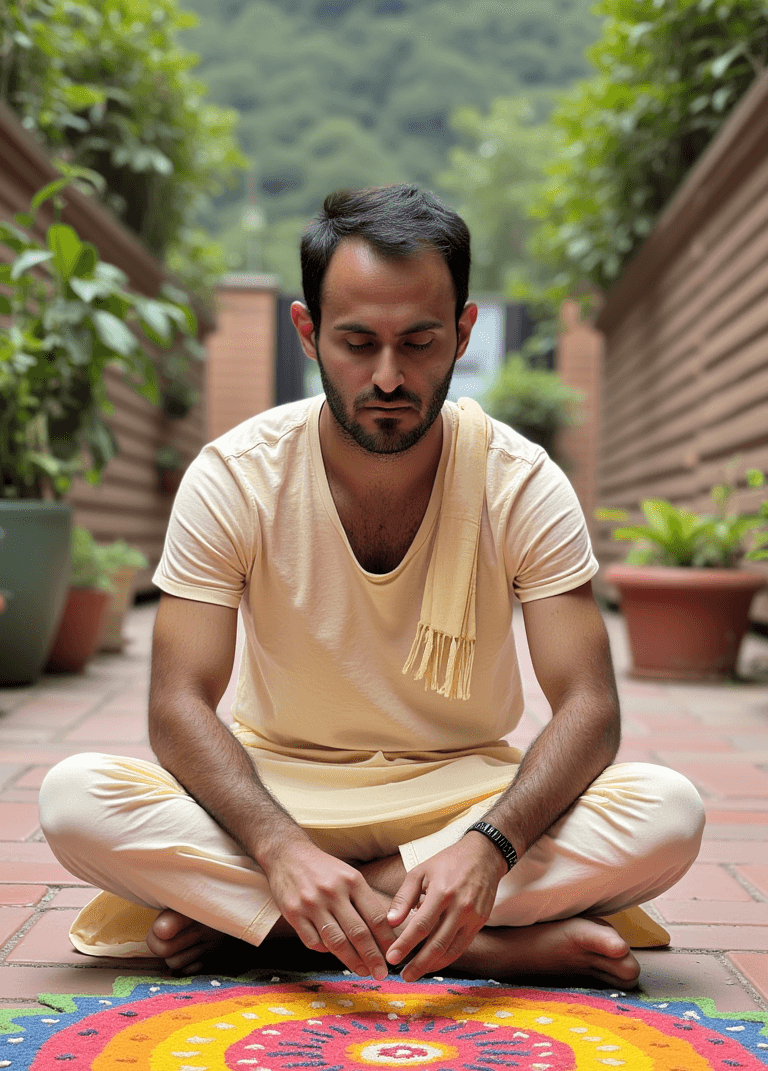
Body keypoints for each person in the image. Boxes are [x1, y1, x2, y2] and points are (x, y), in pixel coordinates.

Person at [39, 185, 704, 989]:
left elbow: (591, 709)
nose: (388, 377)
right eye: (357, 342)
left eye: (419, 342)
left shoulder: (521, 480)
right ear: (308, 331)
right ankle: (479, 948)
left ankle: (270, 936)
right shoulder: (236, 475)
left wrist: (486, 850)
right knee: (75, 800)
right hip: (277, 794)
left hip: (461, 799)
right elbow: (177, 705)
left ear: (464, 333)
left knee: (668, 813)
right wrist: (282, 851)